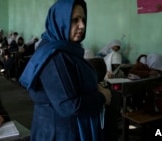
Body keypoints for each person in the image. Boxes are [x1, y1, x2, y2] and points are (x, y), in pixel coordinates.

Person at [19, 0, 111, 140]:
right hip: (60, 133)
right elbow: (69, 106)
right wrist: (103, 97)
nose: (82, 25)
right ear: (59, 21)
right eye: (74, 20)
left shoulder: (69, 50)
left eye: (83, 19)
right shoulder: (54, 57)